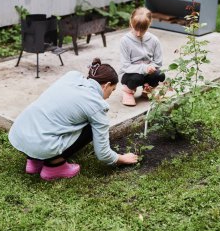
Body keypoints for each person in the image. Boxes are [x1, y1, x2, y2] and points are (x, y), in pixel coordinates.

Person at [8, 58, 138, 181]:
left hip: (19, 133)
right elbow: (102, 153)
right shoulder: (96, 105)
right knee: (91, 128)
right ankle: (54, 166)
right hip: (41, 145)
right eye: (112, 90)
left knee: (54, 118)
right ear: (107, 85)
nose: (110, 95)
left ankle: (34, 161)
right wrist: (120, 158)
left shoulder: (71, 77)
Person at [119, 7, 165, 106]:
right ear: (131, 22)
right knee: (137, 77)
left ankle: (147, 90)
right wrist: (144, 68)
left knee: (160, 74)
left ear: (149, 24)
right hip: (130, 74)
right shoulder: (125, 41)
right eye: (135, 29)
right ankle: (127, 92)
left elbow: (158, 62)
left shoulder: (154, 40)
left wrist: (152, 67)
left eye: (143, 30)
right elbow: (125, 66)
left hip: (147, 72)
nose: (138, 34)